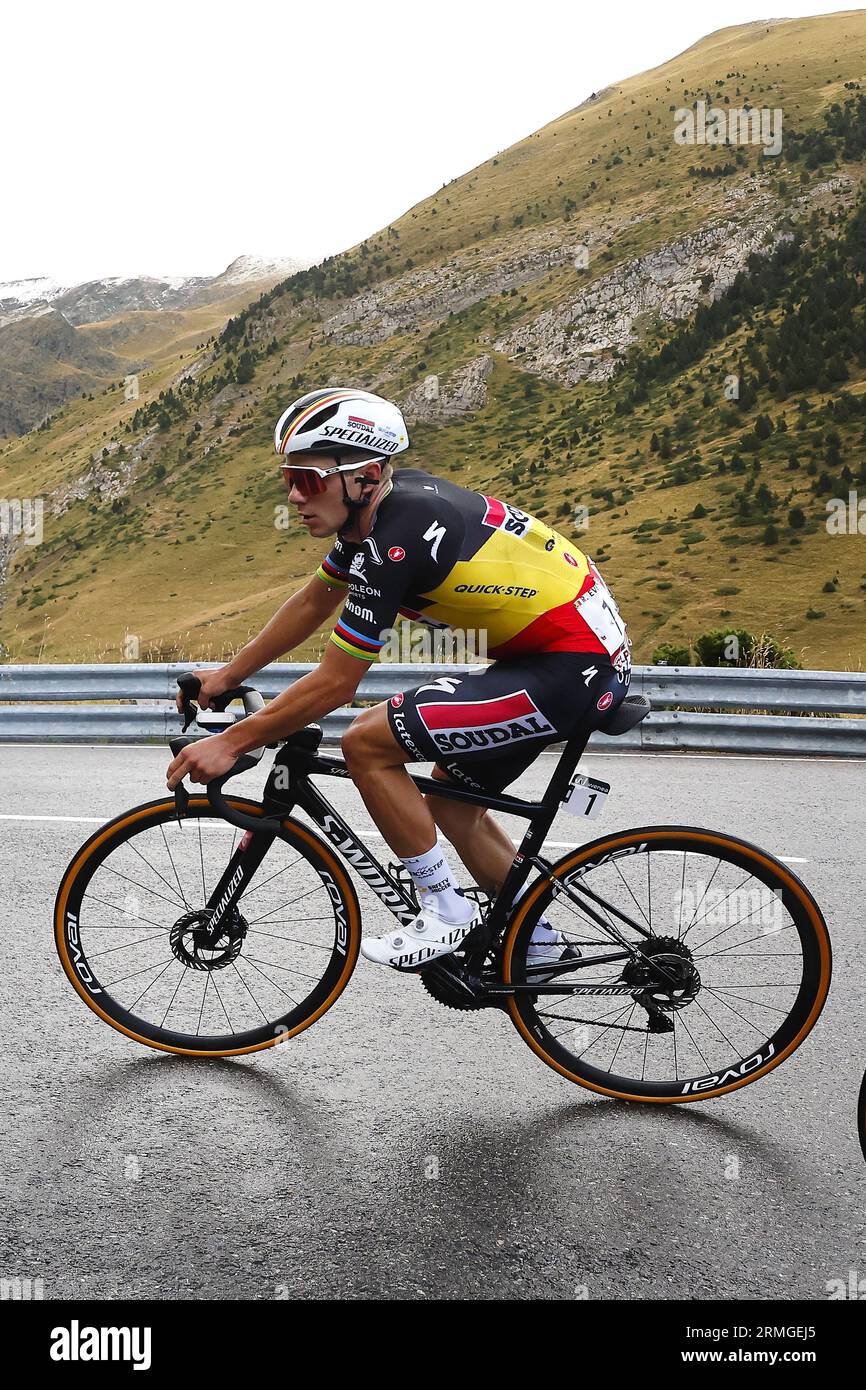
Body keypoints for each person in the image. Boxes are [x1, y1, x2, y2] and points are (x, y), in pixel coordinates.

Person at [167, 387, 631, 972]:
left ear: (364, 476)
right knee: (449, 803)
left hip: (571, 666)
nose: (292, 495)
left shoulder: (396, 539)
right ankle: (536, 940)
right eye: (288, 477)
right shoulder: (377, 520)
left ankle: (445, 911)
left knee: (365, 742)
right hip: (550, 658)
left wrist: (233, 741)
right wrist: (227, 675)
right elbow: (315, 602)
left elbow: (337, 685)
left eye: (307, 480)